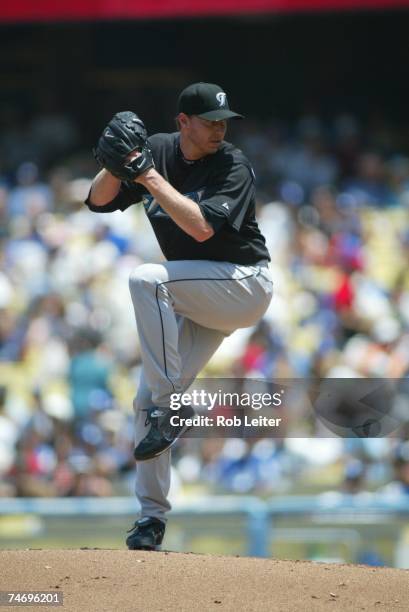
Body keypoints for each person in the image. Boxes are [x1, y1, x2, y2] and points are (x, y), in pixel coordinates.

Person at [86, 82, 273, 550]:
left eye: (223, 121)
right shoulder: (159, 152)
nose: (219, 129)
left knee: (147, 278)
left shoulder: (232, 163)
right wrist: (113, 164)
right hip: (200, 295)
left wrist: (147, 175)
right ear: (182, 122)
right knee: (145, 402)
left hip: (243, 283)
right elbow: (98, 201)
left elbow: (202, 228)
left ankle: (172, 408)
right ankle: (151, 519)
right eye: (210, 121)